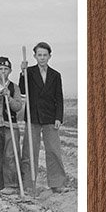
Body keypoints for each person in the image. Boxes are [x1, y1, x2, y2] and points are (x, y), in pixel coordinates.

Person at [19, 41, 69, 192]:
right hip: (33, 117)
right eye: (39, 55)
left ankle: (57, 183)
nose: (42, 58)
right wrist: (22, 73)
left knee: (54, 150)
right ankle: (28, 184)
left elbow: (59, 97)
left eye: (45, 55)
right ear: (34, 56)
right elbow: (22, 90)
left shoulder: (55, 75)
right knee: (29, 152)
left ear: (49, 56)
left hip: (50, 117)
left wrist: (58, 117)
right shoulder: (29, 72)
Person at [0, 56, 27, 193]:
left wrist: (9, 97)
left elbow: (18, 106)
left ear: (10, 71)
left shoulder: (14, 87)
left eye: (6, 69)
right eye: (0, 69)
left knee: (10, 155)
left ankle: (11, 185)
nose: (3, 72)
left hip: (10, 126)